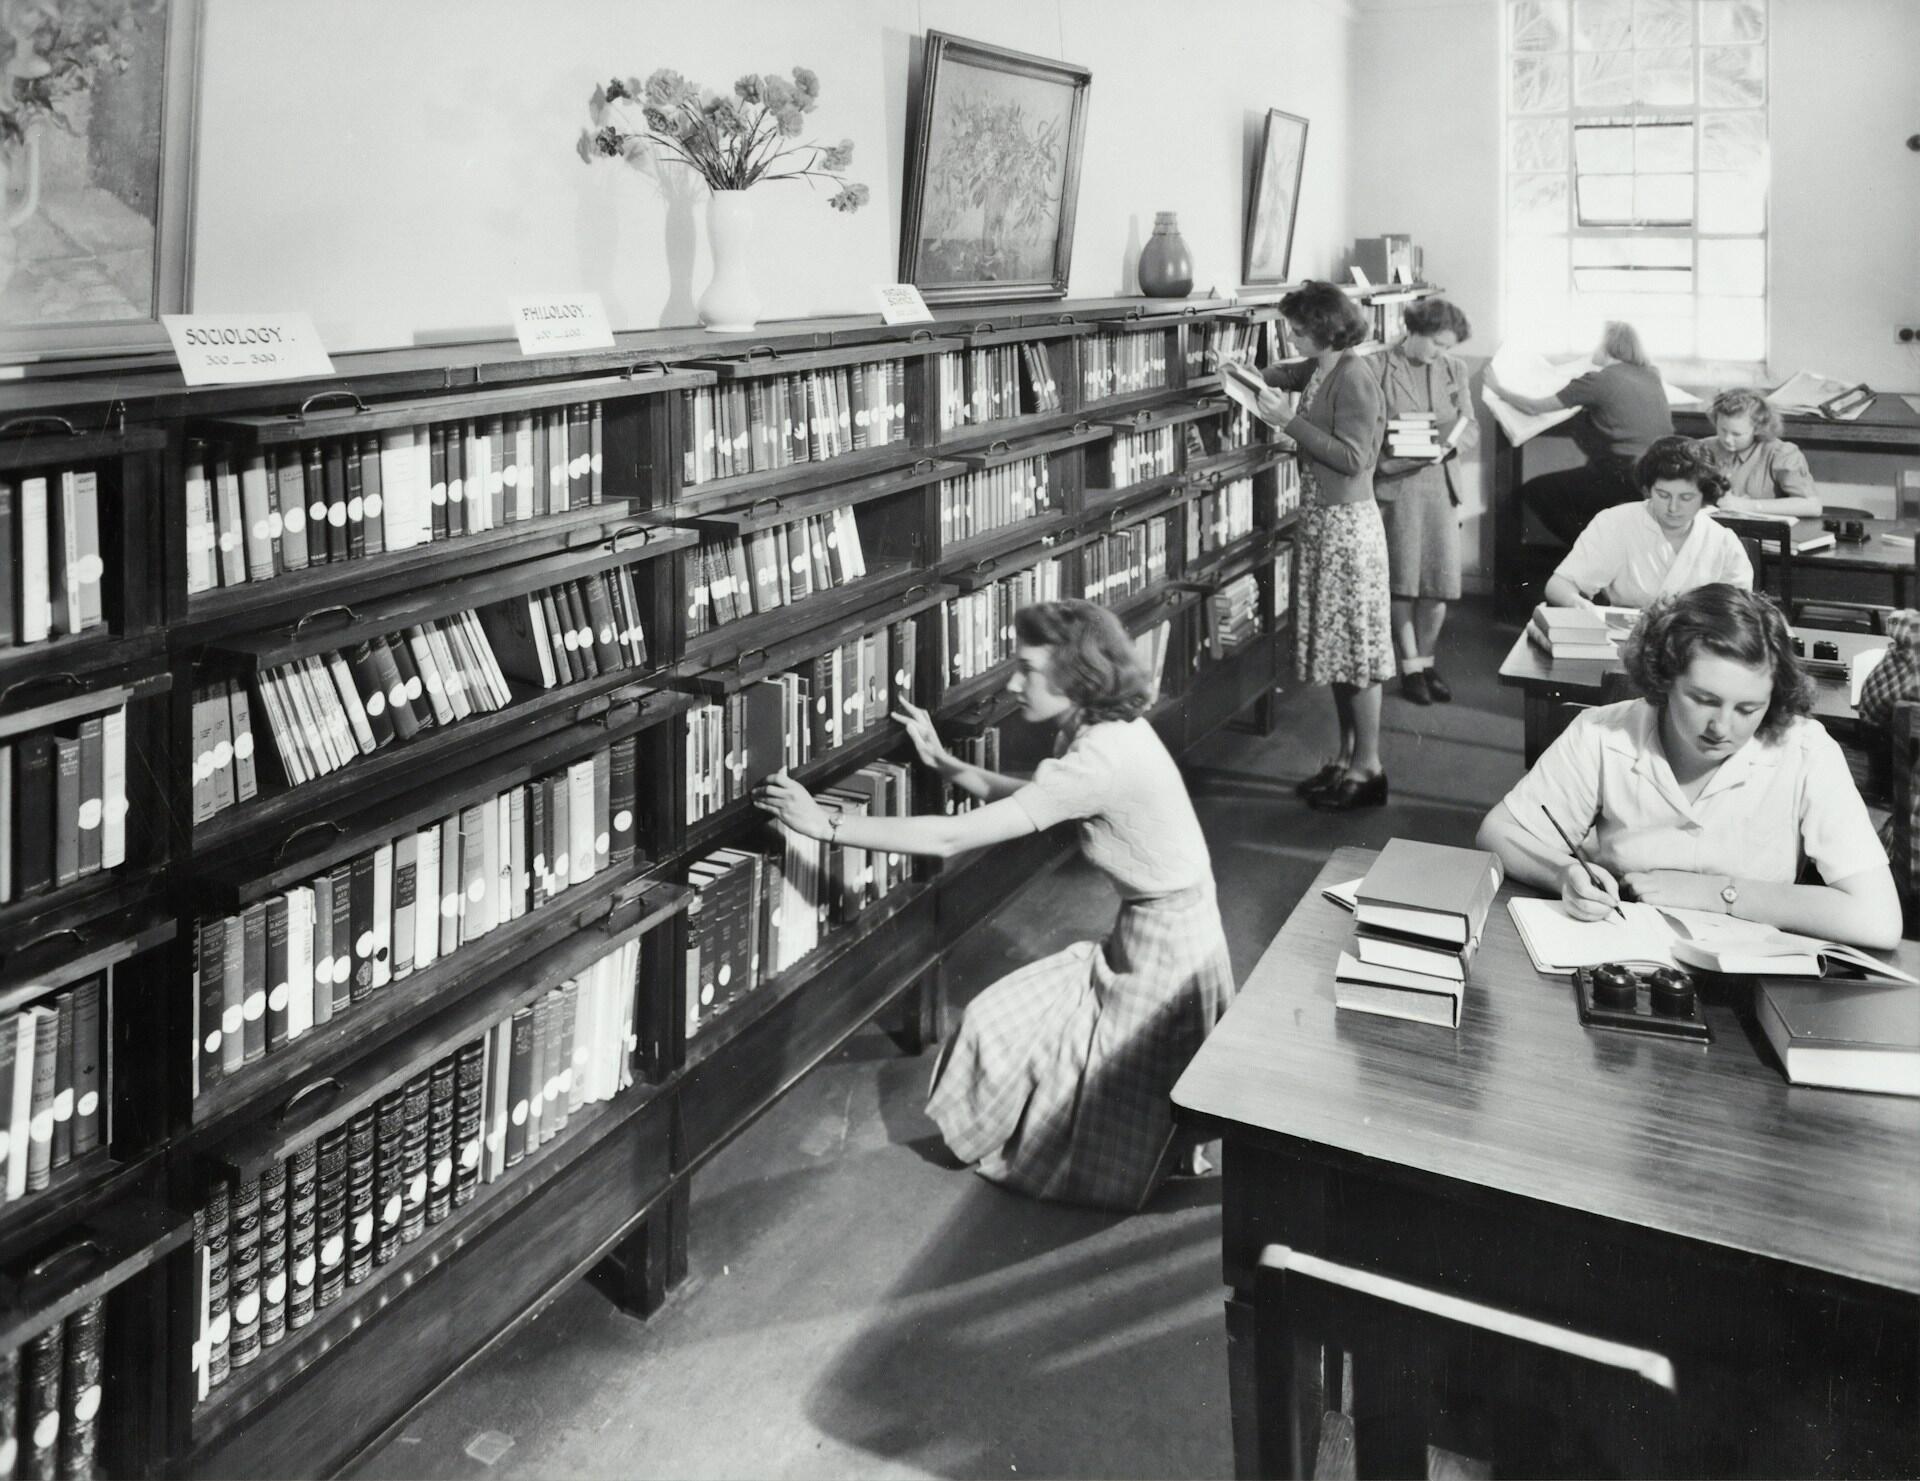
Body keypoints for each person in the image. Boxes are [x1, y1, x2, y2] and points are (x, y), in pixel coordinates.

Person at [754, 599, 1234, 1212]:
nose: (1013, 683)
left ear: (1077, 676)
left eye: (1028, 670)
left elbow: (955, 836)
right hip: (1159, 928)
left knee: (1116, 1113)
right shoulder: (1100, 730)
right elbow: (1042, 797)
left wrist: (825, 828)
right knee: (1018, 1036)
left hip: (1169, 953)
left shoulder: (1099, 757)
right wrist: (949, 765)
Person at [1476, 584, 1902, 950]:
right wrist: (1563, 872)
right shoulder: (1603, 733)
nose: (1722, 727)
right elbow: (1497, 832)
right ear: (1663, 677)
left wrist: (1718, 894)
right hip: (1616, 950)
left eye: (1748, 708)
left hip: (1748, 976)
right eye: (1703, 699)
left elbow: (1879, 919)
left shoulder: (1806, 749)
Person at [1248, 280, 1393, 809]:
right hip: (1322, 523)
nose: (1292, 335)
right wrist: (1241, 372)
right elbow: (1287, 374)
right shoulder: (1325, 366)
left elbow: (1354, 458)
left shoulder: (1355, 377)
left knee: (1355, 654)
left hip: (1347, 529)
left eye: (1299, 328)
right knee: (1336, 651)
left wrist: (1290, 423)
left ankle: (1369, 767)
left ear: (1326, 329)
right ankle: (1347, 756)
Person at [1370, 296, 1478, 705]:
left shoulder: (1454, 369)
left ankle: (1427, 661)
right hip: (1399, 486)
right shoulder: (1377, 367)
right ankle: (1411, 665)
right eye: (1436, 343)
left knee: (1439, 581)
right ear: (1413, 330)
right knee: (1403, 582)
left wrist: (1451, 445)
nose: (1441, 353)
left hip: (1440, 483)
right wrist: (1399, 450)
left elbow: (1469, 424)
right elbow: (1369, 431)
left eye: (1448, 346)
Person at [1486, 320, 1675, 546]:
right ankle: (1598, 551)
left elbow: (1533, 407)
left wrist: (1497, 388)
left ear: (1606, 347)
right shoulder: (1650, 374)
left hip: (1625, 472)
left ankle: (1591, 553)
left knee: (1535, 492)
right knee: (1587, 490)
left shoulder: (1598, 380)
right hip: (1656, 470)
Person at [1543, 435, 1752, 611]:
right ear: (1648, 489)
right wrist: (1577, 604)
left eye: (1686, 498)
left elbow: (1740, 609)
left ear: (1704, 496)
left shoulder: (1721, 540)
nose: (1673, 507)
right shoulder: (1615, 523)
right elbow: (1559, 584)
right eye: (1662, 495)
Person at [1691, 387, 1823, 518]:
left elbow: (1812, 506)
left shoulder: (1781, 453)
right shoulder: (1702, 448)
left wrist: (1745, 505)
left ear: (1758, 429)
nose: (1727, 439)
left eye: (1737, 434)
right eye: (1722, 430)